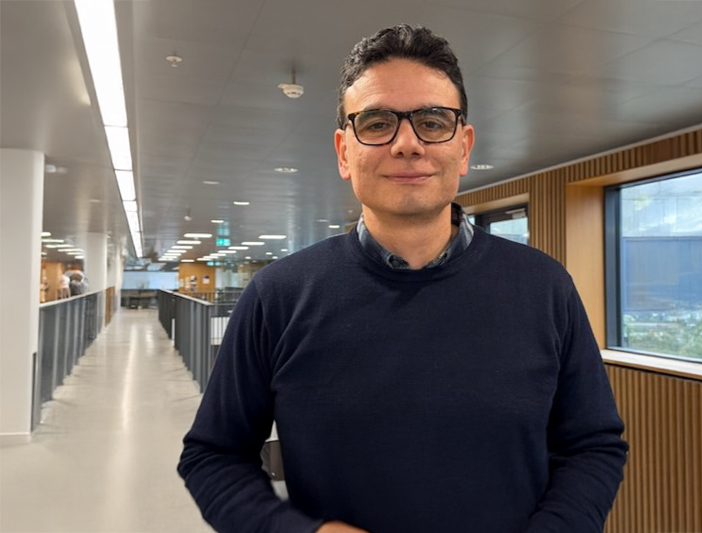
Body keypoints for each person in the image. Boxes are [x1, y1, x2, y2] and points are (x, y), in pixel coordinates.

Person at [178, 25, 627, 533]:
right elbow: (213, 456)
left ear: (464, 146)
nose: (407, 144)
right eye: (377, 123)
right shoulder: (278, 297)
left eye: (433, 122)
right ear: (344, 152)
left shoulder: (544, 288)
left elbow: (592, 446)